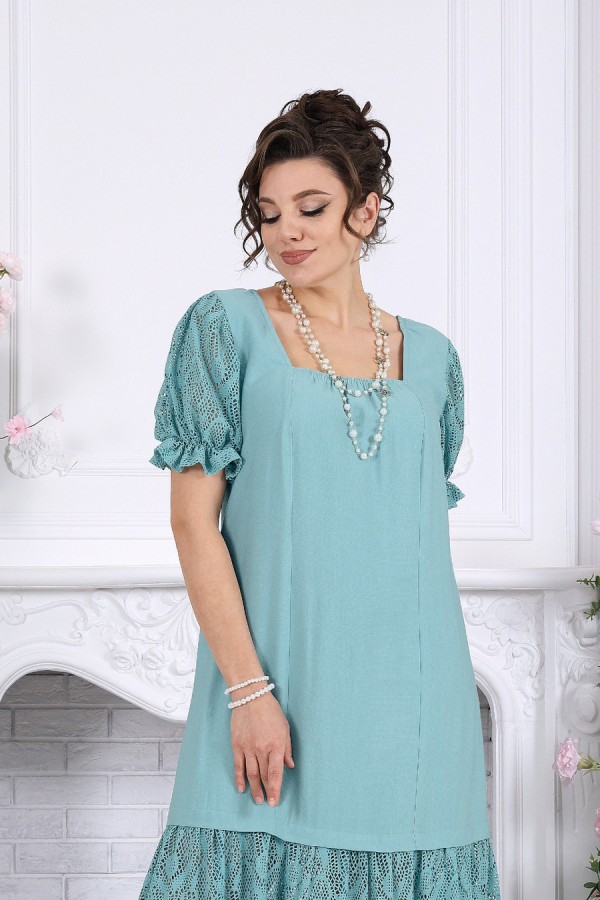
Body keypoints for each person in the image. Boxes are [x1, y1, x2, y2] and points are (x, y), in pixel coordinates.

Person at [139, 88, 502, 899]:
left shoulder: (435, 359)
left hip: (417, 710)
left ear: (365, 212)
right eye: (269, 215)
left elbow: (410, 545)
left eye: (311, 208)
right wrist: (248, 692)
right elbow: (193, 524)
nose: (287, 233)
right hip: (273, 687)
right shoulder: (224, 328)